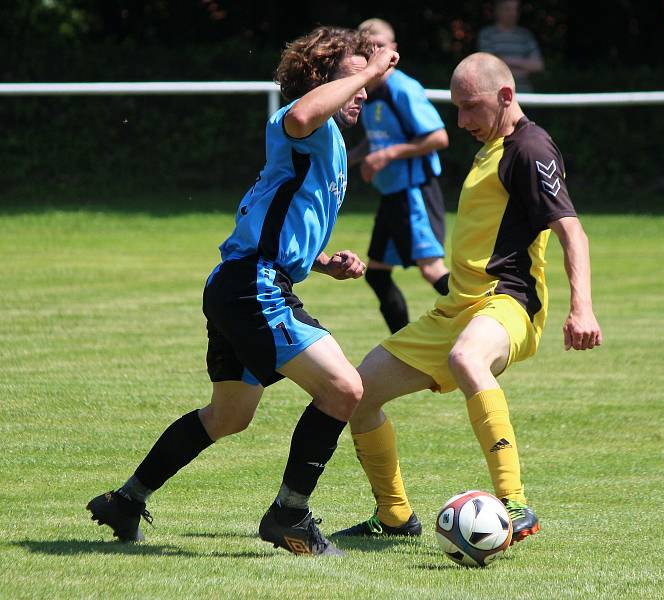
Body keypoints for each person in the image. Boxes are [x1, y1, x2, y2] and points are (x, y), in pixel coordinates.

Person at [86, 27, 399, 557]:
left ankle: (126, 501)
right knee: (345, 388)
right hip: (254, 286)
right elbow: (300, 117)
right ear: (322, 77)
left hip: (241, 282)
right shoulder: (299, 120)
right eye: (355, 73)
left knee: (229, 416)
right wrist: (373, 67)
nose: (366, 88)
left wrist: (323, 262)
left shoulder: (330, 143)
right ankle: (289, 515)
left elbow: (274, 216)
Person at [333, 53, 602, 543]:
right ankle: (394, 517)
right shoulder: (492, 143)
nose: (461, 122)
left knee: (466, 358)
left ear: (505, 96)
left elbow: (572, 231)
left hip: (509, 301)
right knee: (355, 394)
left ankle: (515, 503)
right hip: (457, 307)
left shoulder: (530, 148)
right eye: (456, 109)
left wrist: (580, 306)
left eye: (471, 108)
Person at [348, 18, 451, 333]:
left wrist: (386, 155)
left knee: (432, 269)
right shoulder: (368, 92)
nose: (374, 52)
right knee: (377, 273)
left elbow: (438, 137)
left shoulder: (402, 89)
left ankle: (486, 321)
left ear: (393, 50)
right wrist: (349, 158)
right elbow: (379, 137)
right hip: (392, 194)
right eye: (367, 48)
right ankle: (403, 346)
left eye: (379, 46)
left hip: (413, 192)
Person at [477, 0, 545, 93]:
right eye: (508, 9)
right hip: (496, 95)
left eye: (516, 9)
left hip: (524, 95)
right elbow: (488, 65)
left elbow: (538, 65)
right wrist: (523, 68)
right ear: (498, 11)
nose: (513, 13)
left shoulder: (525, 35)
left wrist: (507, 60)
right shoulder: (487, 34)